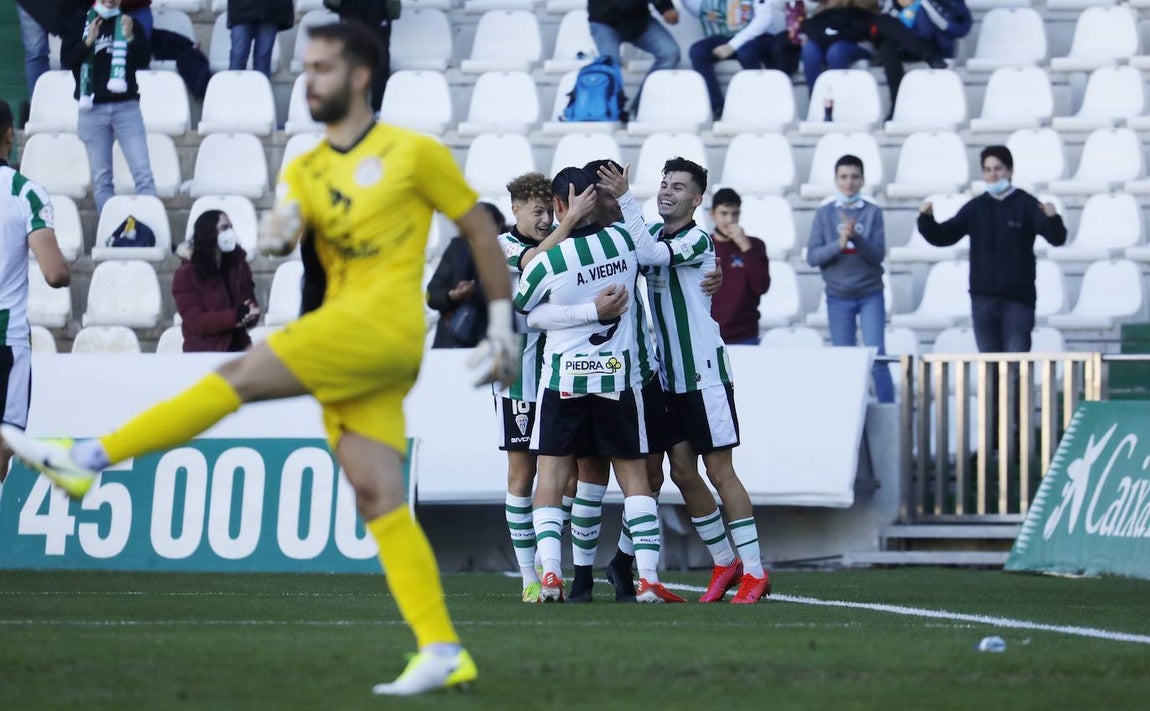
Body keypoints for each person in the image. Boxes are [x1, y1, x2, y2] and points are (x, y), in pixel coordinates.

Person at [1, 22, 520, 697]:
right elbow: (285, 231)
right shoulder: (305, 164)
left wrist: (502, 323)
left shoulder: (411, 152)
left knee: (238, 377)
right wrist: (276, 233)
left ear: (361, 76)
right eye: (305, 67)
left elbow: (478, 227)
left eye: (324, 67)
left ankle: (91, 458)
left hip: (378, 332)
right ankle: (443, 646)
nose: (310, 80)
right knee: (378, 494)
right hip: (352, 341)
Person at [601, 158, 772, 604]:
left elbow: (654, 257)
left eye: (678, 187)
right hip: (666, 376)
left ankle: (754, 571)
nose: (666, 192)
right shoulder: (653, 235)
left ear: (697, 200)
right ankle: (724, 561)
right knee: (680, 471)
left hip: (704, 375)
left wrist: (624, 197)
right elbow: (631, 256)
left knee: (720, 471)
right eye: (663, 184)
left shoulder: (696, 238)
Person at [513, 167, 685, 604]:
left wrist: (579, 310)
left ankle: (551, 575)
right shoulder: (627, 241)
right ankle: (647, 579)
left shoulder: (550, 261)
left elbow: (523, 307)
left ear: (558, 207)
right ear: (595, 199)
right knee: (634, 481)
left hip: (564, 380)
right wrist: (596, 309)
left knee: (551, 478)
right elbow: (653, 249)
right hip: (616, 376)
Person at [918, 145, 1067, 353]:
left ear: (1010, 171)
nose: (993, 175)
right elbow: (944, 235)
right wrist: (926, 219)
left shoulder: (1026, 204)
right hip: (983, 299)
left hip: (1018, 299)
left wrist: (1053, 218)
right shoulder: (976, 207)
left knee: (1016, 365)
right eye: (987, 170)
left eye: (998, 169)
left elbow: (1057, 238)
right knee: (988, 367)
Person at [0, 100, 71, 484]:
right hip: (5, 339)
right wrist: (66, 269)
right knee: (5, 439)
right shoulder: (23, 192)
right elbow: (54, 273)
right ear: (10, 136)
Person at [806, 154, 894, 403]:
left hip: (870, 294)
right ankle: (846, 413)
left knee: (878, 358)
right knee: (844, 361)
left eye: (855, 177)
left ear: (863, 180)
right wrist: (840, 243)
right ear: (836, 180)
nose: (849, 182)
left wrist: (856, 237)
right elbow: (813, 257)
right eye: (844, 177)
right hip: (838, 296)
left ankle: (891, 417)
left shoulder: (873, 212)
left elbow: (877, 255)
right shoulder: (824, 214)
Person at [60, 0, 156, 214]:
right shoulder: (80, 22)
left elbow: (143, 60)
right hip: (92, 109)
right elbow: (66, 60)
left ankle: (151, 227)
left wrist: (130, 37)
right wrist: (88, 42)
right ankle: (111, 231)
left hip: (126, 107)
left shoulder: (129, 22)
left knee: (143, 175)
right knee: (102, 180)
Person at [686, 0, 792, 118]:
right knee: (697, 52)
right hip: (724, 36)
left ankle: (763, 104)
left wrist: (732, 45)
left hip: (756, 36)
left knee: (746, 54)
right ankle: (717, 108)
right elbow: (696, 8)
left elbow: (764, 19)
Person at [173, 210, 260, 353]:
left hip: (239, 347)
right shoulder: (185, 274)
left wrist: (249, 315)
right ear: (209, 232)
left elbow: (250, 304)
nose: (230, 232)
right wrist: (235, 317)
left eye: (231, 227)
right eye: (225, 228)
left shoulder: (238, 265)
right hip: (203, 351)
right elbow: (196, 321)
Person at [426, 203, 506, 349]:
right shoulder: (457, 249)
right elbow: (433, 293)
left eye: (488, 225)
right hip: (452, 340)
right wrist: (452, 295)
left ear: (499, 226)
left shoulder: (507, 250)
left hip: (487, 340)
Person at [871, 0, 970, 111]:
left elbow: (959, 28)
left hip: (933, 44)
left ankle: (896, 107)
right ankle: (897, 105)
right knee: (886, 41)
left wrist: (921, 4)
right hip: (908, 46)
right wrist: (897, 8)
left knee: (887, 44)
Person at [588, 0, 681, 116]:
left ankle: (639, 107)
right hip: (605, 22)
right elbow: (623, 5)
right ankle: (610, 111)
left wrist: (666, 9)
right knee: (611, 64)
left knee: (670, 53)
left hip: (639, 22)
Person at [708, 188, 770, 345]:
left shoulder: (755, 245)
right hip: (709, 334)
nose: (730, 220)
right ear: (712, 214)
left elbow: (761, 286)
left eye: (735, 213)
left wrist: (745, 247)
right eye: (724, 213)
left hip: (745, 334)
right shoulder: (704, 246)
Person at [325, 0, 394, 113]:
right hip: (350, 6)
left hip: (378, 5)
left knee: (379, 55)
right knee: (350, 55)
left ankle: (378, 107)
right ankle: (351, 107)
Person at [798, 0, 878, 95]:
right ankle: (815, 98)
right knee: (809, 49)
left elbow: (869, 4)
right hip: (829, 32)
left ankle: (840, 98)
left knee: (836, 52)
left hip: (858, 39)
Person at [227, 0, 294, 77]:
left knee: (262, 59)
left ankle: (260, 88)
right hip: (242, 9)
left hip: (270, 10)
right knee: (239, 56)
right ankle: (233, 87)